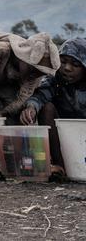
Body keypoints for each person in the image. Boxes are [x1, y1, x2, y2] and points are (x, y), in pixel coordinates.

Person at [0, 30, 59, 180]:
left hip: (8, 82)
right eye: (33, 70)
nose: (36, 75)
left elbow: (23, 97)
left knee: (13, 118)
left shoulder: (34, 74)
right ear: (23, 58)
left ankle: (15, 161)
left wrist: (4, 112)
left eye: (40, 73)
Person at [20, 37, 86, 177]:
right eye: (63, 62)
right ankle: (59, 165)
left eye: (75, 64)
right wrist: (31, 107)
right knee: (47, 107)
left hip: (83, 138)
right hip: (62, 137)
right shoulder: (55, 80)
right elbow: (40, 95)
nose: (67, 68)